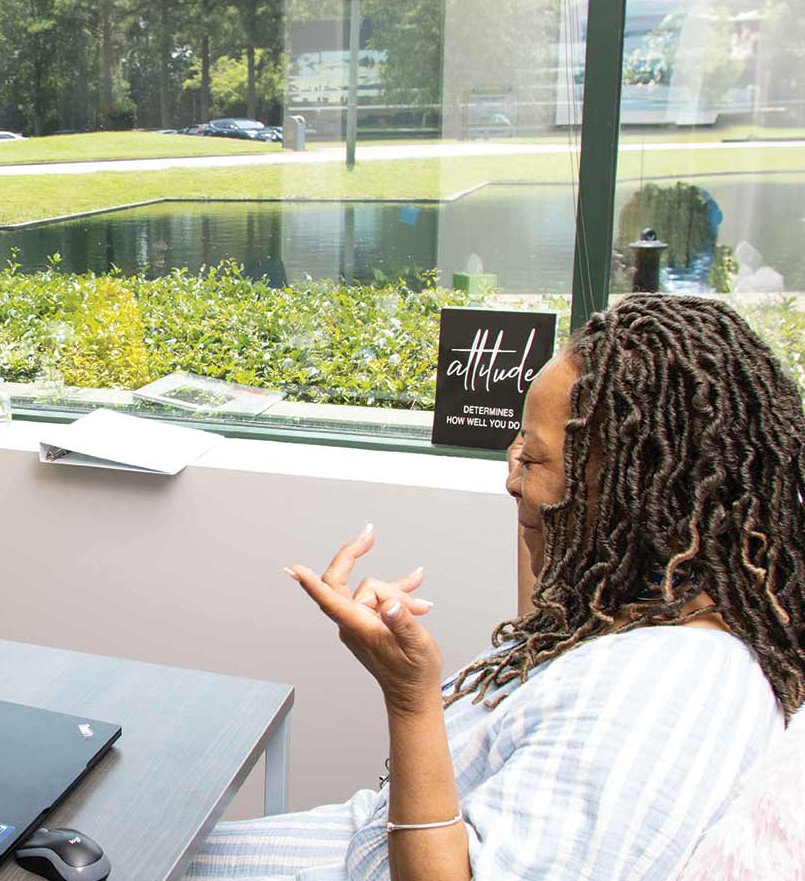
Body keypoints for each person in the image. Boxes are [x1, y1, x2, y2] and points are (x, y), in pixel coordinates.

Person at [186, 294, 805, 880]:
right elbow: (543, 612)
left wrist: (410, 697)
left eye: (532, 462)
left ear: (635, 496)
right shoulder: (648, 611)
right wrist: (538, 469)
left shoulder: (665, 694)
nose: (512, 481)